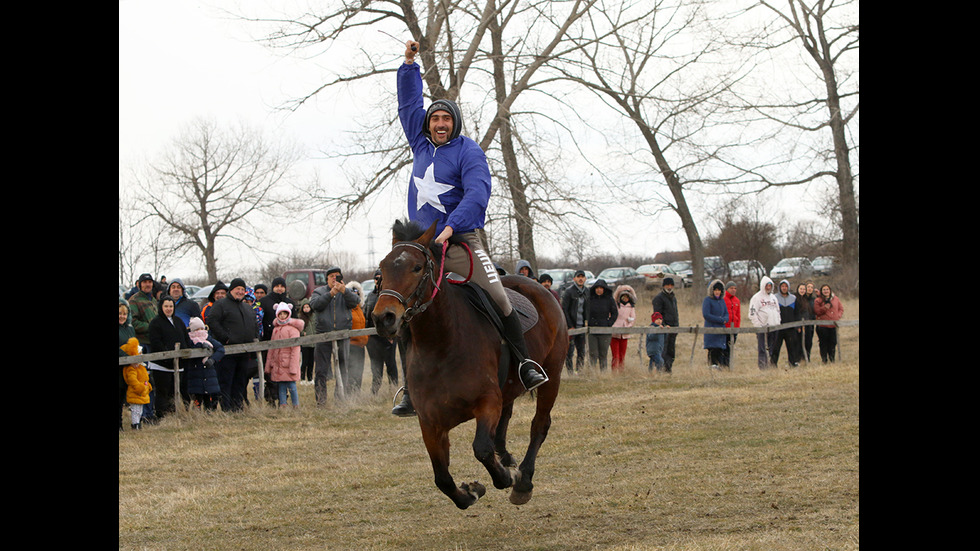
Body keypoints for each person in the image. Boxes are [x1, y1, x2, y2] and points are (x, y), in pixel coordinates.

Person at [392, 39, 547, 415]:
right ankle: (411, 389)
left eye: (446, 119)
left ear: (455, 123)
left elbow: (477, 196)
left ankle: (525, 364)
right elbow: (408, 104)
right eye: (435, 119)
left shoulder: (469, 152)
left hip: (460, 242)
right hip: (420, 246)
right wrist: (409, 64)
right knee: (399, 307)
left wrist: (450, 228)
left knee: (498, 296)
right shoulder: (420, 143)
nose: (439, 124)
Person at [207, 278, 259, 412]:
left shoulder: (247, 307)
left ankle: (238, 407)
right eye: (238, 289)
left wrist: (254, 338)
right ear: (231, 290)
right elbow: (212, 321)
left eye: (242, 289)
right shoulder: (221, 304)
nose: (240, 292)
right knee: (226, 381)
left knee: (241, 381)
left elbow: (254, 324)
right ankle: (227, 409)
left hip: (244, 351)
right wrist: (225, 338)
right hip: (227, 351)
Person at [309, 267, 359, 406]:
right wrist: (330, 294)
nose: (334, 278)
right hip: (323, 335)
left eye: (336, 276)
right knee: (321, 370)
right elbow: (315, 305)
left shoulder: (346, 291)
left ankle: (340, 399)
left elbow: (355, 302)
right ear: (327, 279)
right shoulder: (319, 291)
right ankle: (321, 401)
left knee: (343, 368)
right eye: (331, 276)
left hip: (343, 335)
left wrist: (344, 291)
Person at [148, 295, 193, 418]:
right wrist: (168, 358)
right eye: (166, 306)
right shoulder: (155, 323)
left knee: (175, 392)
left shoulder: (178, 321)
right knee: (163, 392)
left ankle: (173, 415)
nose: (168, 309)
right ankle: (161, 416)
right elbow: (156, 343)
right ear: (161, 307)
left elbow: (185, 338)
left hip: (179, 364)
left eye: (171, 306)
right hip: (162, 365)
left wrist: (185, 353)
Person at [127, 273, 159, 423]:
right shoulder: (133, 300)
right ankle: (143, 414)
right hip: (142, 345)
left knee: (152, 380)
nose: (147, 285)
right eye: (145, 282)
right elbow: (133, 322)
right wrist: (152, 327)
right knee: (143, 379)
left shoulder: (153, 300)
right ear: (139, 284)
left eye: (149, 282)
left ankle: (151, 412)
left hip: (155, 344)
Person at [364, 269, 399, 394]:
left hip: (388, 337)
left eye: (380, 278)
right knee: (376, 367)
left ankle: (394, 390)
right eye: (376, 278)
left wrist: (391, 335)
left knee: (391, 365)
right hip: (373, 338)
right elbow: (365, 315)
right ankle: (375, 391)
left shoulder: (388, 296)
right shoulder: (370, 296)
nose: (378, 280)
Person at [266, 302, 305, 408]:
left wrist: (293, 366)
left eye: (284, 313)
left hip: (287, 362)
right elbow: (272, 348)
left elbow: (295, 349)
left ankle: (295, 404)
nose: (282, 316)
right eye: (280, 314)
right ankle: (283, 404)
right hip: (278, 362)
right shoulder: (275, 329)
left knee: (292, 385)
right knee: (281, 385)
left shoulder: (293, 329)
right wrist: (269, 365)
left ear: (289, 314)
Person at [185, 316, 224, 411]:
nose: (200, 331)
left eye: (202, 328)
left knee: (210, 398)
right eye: (198, 329)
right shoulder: (189, 340)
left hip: (209, 372)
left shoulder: (208, 338)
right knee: (197, 398)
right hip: (195, 373)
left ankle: (210, 412)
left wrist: (213, 360)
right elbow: (190, 349)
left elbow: (220, 349)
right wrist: (200, 345)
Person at [561, 270, 590, 374]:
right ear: (574, 279)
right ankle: (570, 372)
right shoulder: (569, 292)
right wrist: (569, 325)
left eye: (582, 277)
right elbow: (564, 309)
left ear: (585, 279)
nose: (581, 279)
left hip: (581, 326)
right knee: (569, 351)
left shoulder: (587, 291)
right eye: (578, 277)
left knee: (581, 351)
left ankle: (579, 370)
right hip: (571, 326)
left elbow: (588, 309)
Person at [748, 276, 780, 369]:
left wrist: (778, 321)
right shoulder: (756, 298)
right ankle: (763, 366)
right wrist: (759, 326)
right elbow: (752, 313)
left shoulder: (773, 298)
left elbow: (778, 311)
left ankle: (771, 365)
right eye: (767, 285)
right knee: (763, 348)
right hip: (763, 328)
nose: (768, 287)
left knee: (772, 348)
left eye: (770, 285)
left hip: (774, 327)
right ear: (763, 286)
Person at [586, 279, 618, 372]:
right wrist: (589, 321)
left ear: (604, 289)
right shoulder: (590, 299)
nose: (599, 290)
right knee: (593, 353)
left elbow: (614, 313)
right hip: (592, 329)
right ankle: (592, 372)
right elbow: (586, 311)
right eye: (597, 288)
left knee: (603, 354)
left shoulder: (609, 299)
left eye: (601, 288)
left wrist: (609, 323)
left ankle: (603, 373)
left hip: (605, 330)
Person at [120, 337, 151, 430]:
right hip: (135, 391)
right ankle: (135, 424)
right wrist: (139, 387)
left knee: (139, 409)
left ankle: (138, 423)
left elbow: (145, 377)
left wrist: (147, 385)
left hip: (142, 391)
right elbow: (132, 379)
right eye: (139, 353)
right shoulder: (131, 369)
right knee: (135, 409)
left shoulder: (141, 367)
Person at [651, 277, 680, 373]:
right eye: (667, 285)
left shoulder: (673, 298)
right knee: (663, 350)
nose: (669, 287)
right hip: (664, 329)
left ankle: (668, 369)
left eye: (671, 285)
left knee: (671, 351)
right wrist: (663, 325)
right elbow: (657, 315)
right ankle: (661, 369)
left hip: (673, 328)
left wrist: (676, 326)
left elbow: (675, 313)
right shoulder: (658, 298)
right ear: (663, 286)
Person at [772, 279, 802, 367]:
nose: (784, 288)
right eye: (782, 286)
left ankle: (792, 363)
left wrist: (797, 325)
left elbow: (797, 313)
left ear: (788, 287)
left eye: (785, 286)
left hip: (791, 327)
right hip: (779, 327)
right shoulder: (774, 298)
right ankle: (773, 364)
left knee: (791, 346)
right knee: (776, 346)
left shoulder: (793, 298)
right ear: (779, 287)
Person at [346, 280, 368, 395]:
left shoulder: (360, 309)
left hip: (361, 345)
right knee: (351, 371)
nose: (355, 296)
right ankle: (349, 394)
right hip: (351, 344)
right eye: (352, 293)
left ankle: (357, 394)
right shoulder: (347, 309)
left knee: (359, 371)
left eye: (357, 293)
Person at [702, 280, 730, 369]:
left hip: (721, 331)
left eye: (719, 290)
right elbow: (706, 314)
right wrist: (720, 320)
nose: (717, 292)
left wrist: (725, 319)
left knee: (720, 351)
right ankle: (712, 368)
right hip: (711, 330)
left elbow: (726, 313)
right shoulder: (707, 300)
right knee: (713, 350)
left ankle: (720, 368)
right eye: (715, 290)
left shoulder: (722, 301)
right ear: (712, 291)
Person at [813, 284, 844, 363]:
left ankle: (832, 359)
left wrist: (838, 316)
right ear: (821, 291)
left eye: (827, 289)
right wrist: (825, 307)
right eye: (824, 289)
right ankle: (824, 360)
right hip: (822, 326)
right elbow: (817, 312)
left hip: (833, 325)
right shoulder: (818, 300)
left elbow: (841, 309)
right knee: (823, 343)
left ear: (830, 290)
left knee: (833, 342)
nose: (826, 291)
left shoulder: (835, 299)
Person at [610, 284, 637, 372]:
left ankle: (621, 372)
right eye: (623, 297)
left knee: (622, 355)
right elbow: (611, 316)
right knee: (615, 355)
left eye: (627, 297)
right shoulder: (615, 305)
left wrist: (628, 326)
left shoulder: (631, 307)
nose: (625, 299)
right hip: (614, 333)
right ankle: (614, 372)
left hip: (625, 334)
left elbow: (633, 318)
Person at [119, 300, 136, 430]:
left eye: (124, 314)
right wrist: (127, 358)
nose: (122, 316)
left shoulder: (130, 329)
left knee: (124, 395)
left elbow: (134, 344)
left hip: (128, 368)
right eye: (119, 313)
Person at [296, 299, 318, 383]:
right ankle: (302, 378)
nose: (306, 309)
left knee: (311, 362)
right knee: (304, 361)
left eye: (307, 307)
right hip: (305, 343)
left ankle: (310, 378)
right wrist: (302, 333)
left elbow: (316, 325)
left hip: (313, 342)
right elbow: (298, 328)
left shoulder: (314, 316)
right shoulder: (300, 317)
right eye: (304, 307)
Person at [794, 282, 815, 363]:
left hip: (808, 324)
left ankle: (806, 358)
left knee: (808, 342)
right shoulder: (795, 298)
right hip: (799, 324)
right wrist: (797, 326)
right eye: (801, 289)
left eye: (804, 289)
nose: (802, 290)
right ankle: (798, 360)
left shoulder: (805, 299)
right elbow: (796, 313)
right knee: (798, 343)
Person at [722, 281, 741, 367]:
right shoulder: (723, 299)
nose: (733, 290)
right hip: (725, 328)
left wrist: (737, 327)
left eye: (735, 288)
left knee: (730, 348)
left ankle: (728, 365)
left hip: (734, 328)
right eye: (731, 288)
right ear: (727, 289)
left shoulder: (737, 300)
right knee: (724, 348)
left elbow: (738, 315)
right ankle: (723, 365)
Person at [801, 281, 817, 361]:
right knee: (802, 341)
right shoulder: (801, 298)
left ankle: (808, 357)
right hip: (802, 323)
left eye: (811, 287)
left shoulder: (814, 299)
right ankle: (802, 358)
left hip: (811, 323)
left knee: (809, 342)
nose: (810, 289)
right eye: (808, 287)